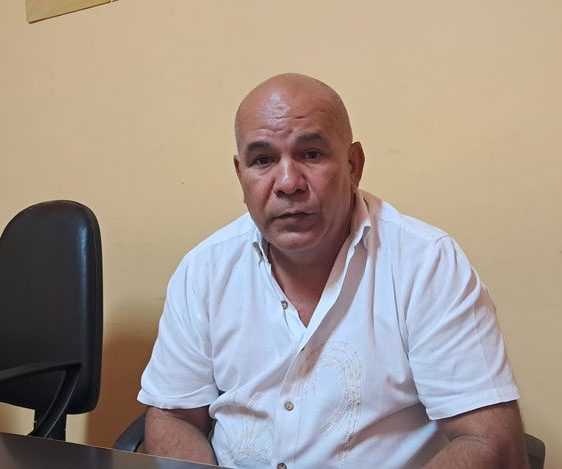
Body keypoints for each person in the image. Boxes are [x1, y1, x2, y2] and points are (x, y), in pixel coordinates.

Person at [138, 73, 528, 468]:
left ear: (353, 165)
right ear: (241, 175)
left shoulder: (427, 264)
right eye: (263, 160)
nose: (288, 183)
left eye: (311, 154)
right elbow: (173, 416)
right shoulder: (204, 269)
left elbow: (490, 440)